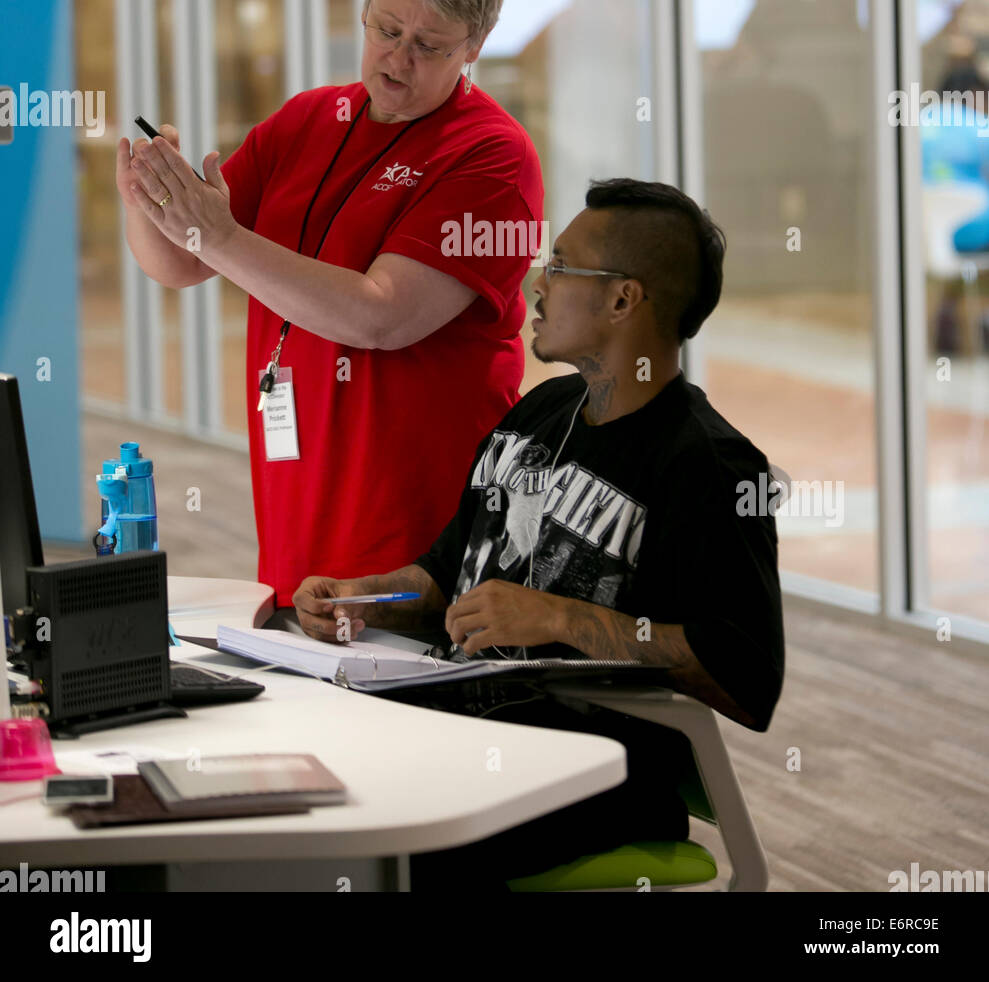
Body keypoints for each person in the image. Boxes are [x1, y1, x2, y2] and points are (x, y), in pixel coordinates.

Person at [293, 178, 786, 891]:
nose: (535, 283)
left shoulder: (706, 465)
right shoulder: (545, 409)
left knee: (363, 850)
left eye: (559, 266)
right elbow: (445, 572)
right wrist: (366, 597)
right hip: (459, 724)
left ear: (623, 299)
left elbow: (746, 677)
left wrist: (561, 617)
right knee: (293, 779)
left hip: (584, 773)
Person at [115, 0, 544, 608]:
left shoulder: (491, 156)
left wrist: (220, 237)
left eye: (428, 45)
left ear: (476, 45)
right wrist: (147, 197)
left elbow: (381, 316)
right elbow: (181, 264)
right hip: (298, 508)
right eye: (385, 30)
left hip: (418, 537)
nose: (396, 60)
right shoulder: (310, 120)